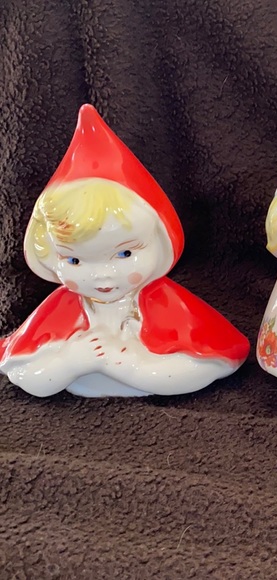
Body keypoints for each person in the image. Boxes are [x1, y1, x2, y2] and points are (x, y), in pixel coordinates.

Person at [0, 104, 249, 397]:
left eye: (124, 254)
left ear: (161, 242)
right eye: (75, 260)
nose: (102, 275)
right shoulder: (60, 310)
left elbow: (213, 363)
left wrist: (131, 367)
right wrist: (69, 362)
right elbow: (22, 372)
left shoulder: (166, 305)